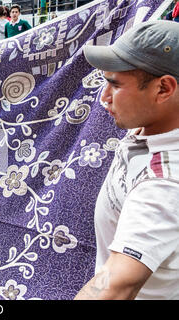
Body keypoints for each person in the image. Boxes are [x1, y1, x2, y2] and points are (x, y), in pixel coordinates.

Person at [75, 20, 179, 300]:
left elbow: (116, 285)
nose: (103, 97)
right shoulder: (150, 126)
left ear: (163, 89)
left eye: (114, 84)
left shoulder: (164, 184)